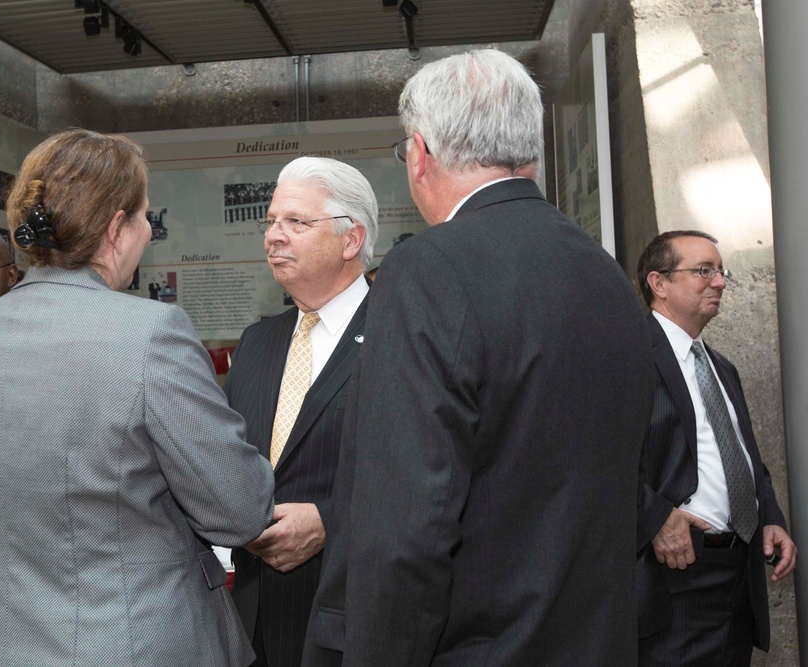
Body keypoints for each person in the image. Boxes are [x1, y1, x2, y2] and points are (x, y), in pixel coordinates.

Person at [303, 49, 654, 666]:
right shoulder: (603, 271)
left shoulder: (428, 270)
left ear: (419, 153)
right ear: (531, 148)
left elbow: (404, 532)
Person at [0, 128, 275, 666]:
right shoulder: (151, 334)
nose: (148, 233)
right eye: (143, 217)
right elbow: (241, 511)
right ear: (115, 228)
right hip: (130, 645)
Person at [225, 156, 377, 667]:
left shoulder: (399, 336)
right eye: (270, 221)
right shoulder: (257, 342)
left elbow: (434, 473)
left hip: (349, 621)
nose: (274, 236)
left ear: (351, 240)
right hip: (250, 626)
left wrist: (332, 523)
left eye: (296, 222)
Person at [636, 230, 796, 665]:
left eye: (720, 271)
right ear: (659, 283)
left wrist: (770, 518)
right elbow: (592, 458)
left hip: (738, 575)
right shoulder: (626, 355)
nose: (721, 281)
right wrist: (654, 518)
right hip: (673, 578)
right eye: (703, 270)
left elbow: (744, 457)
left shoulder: (721, 366)